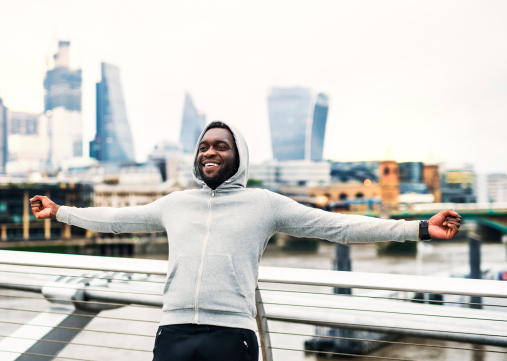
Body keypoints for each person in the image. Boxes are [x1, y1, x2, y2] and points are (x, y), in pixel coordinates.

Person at [31, 121, 461, 361]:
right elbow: (115, 221)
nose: (210, 152)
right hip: (172, 335)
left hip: (230, 337)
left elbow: (339, 226)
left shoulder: (264, 203)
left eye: (221, 145)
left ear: (238, 156)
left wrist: (420, 227)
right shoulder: (175, 203)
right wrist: (60, 212)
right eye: (203, 147)